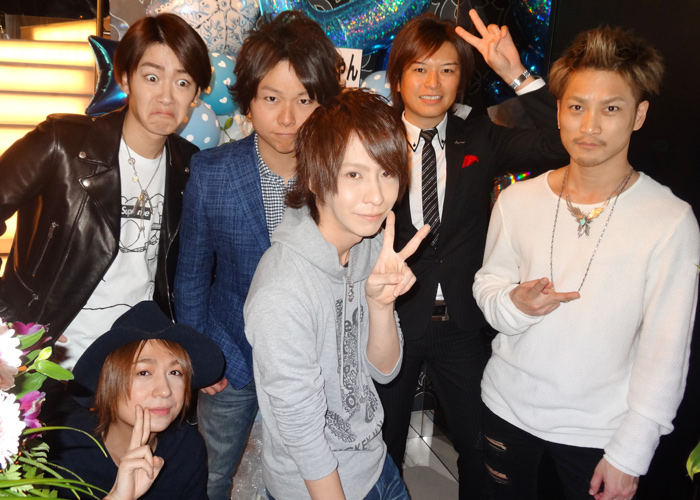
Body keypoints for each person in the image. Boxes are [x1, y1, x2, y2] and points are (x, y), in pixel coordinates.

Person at [473, 27, 700, 500]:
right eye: (577, 107)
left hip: (600, 433)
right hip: (505, 409)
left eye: (611, 109)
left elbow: (666, 351)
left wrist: (631, 452)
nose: (590, 126)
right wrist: (515, 304)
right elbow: (489, 284)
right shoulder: (516, 200)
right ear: (558, 111)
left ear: (639, 115)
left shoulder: (670, 220)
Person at [375, 10, 568, 499]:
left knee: (480, 449)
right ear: (397, 77)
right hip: (389, 322)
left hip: (461, 324)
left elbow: (559, 141)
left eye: (447, 69)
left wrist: (515, 74)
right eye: (420, 69)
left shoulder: (479, 135)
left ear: (460, 79)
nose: (433, 83)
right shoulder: (371, 140)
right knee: (380, 447)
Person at [173, 11, 345, 500]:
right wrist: (202, 357)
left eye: (304, 100)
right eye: (271, 98)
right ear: (249, 99)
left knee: (311, 474)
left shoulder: (341, 176)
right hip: (232, 358)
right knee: (211, 476)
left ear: (323, 103)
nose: (287, 118)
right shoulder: (212, 171)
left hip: (313, 360)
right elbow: (191, 275)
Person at [244, 89, 428, 500]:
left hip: (377, 465)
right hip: (315, 487)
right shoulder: (282, 288)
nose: (376, 196)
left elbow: (385, 372)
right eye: (354, 175)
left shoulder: (367, 247)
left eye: (387, 172)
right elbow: (301, 432)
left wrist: (380, 305)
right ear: (314, 179)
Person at [0, 14, 211, 370]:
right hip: (48, 363)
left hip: (133, 369)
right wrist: (8, 318)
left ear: (195, 94)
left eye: (182, 82)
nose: (166, 96)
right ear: (125, 78)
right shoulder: (61, 144)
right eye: (152, 77)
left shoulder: (191, 168)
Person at [53, 301, 225, 500]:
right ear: (107, 383)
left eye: (175, 372)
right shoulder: (60, 448)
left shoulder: (187, 447)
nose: (164, 391)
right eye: (143, 372)